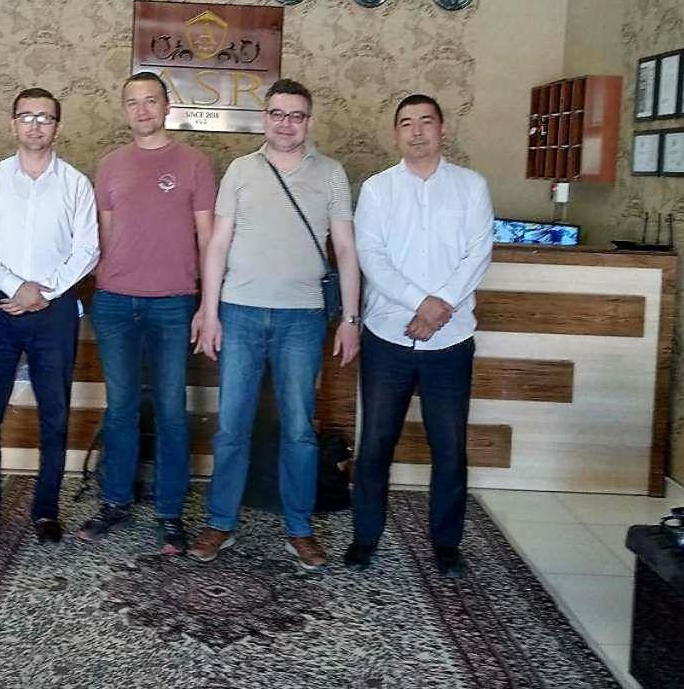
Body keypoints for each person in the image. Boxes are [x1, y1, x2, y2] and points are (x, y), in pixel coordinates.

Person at [188, 78, 361, 570]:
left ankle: (300, 529)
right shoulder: (241, 170)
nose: (286, 124)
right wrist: (209, 311)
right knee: (231, 427)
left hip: (302, 318)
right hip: (240, 312)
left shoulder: (330, 173)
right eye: (278, 114)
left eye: (296, 115)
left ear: (309, 121)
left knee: (299, 430)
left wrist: (351, 318)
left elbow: (345, 248)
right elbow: (217, 244)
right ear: (264, 118)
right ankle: (220, 522)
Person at [343, 94, 493, 578]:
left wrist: (439, 306)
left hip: (450, 340)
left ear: (442, 129)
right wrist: (419, 303)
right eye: (406, 123)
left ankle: (447, 544)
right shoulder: (378, 189)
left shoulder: (471, 186)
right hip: (388, 336)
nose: (417, 131)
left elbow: (478, 253)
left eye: (426, 121)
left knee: (448, 446)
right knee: (375, 443)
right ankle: (365, 537)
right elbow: (371, 256)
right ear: (396, 134)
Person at [76, 72, 216, 555]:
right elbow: (104, 234)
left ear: (167, 106)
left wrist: (206, 304)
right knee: (120, 407)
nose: (142, 110)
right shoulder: (110, 164)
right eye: (133, 102)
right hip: (115, 302)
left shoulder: (195, 163)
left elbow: (207, 239)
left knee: (172, 409)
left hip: (173, 303)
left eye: (151, 101)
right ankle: (115, 502)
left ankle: (170, 512)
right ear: (125, 110)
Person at [0, 88, 98, 545]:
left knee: (54, 413)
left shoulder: (75, 183)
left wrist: (44, 291)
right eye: (27, 116)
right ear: (13, 123)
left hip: (54, 312)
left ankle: (46, 511)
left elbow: (87, 249)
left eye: (45, 118)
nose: (36, 125)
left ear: (58, 126)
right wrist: (14, 286)